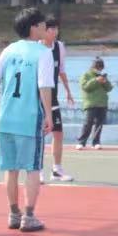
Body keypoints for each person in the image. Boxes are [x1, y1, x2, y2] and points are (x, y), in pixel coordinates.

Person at [0, 8, 55, 232]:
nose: (46, 27)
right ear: (33, 27)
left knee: (11, 169)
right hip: (29, 118)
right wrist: (49, 114)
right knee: (32, 168)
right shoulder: (43, 52)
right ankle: (29, 216)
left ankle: (13, 213)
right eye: (43, 24)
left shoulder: (9, 50)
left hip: (6, 118)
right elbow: (44, 86)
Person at [42, 17, 76, 181]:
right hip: (39, 97)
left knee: (58, 133)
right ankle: (37, 169)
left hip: (53, 97)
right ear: (44, 30)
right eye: (51, 29)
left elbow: (61, 70)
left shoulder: (59, 47)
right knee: (39, 134)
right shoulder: (37, 48)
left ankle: (57, 169)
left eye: (56, 28)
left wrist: (68, 91)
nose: (55, 32)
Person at [77, 57, 112, 149]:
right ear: (93, 66)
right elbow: (85, 87)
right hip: (90, 103)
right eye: (97, 67)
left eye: (101, 67)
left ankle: (96, 142)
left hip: (102, 103)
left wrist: (105, 81)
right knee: (88, 123)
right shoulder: (86, 75)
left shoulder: (102, 75)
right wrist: (96, 80)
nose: (99, 69)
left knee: (99, 125)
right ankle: (81, 142)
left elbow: (109, 88)